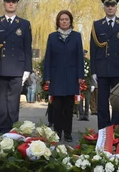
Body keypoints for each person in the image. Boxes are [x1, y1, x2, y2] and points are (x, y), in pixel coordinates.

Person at [0, 0, 33, 136]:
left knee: (13, 105)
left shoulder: (24, 24)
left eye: (13, 1)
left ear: (17, 4)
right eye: (8, 1)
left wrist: (27, 69)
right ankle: (1, 133)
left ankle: (13, 133)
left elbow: (27, 48)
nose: (11, 3)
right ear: (4, 4)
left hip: (17, 69)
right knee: (0, 104)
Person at [90, 0, 119, 129]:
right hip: (102, 69)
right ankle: (103, 131)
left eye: (112, 5)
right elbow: (93, 49)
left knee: (117, 102)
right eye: (107, 6)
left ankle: (116, 129)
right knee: (102, 103)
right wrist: (93, 71)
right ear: (104, 7)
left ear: (116, 7)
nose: (110, 8)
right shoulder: (97, 25)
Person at [43, 10, 84, 142]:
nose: (64, 21)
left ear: (70, 21)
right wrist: (47, 77)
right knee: (57, 107)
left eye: (66, 19)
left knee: (68, 107)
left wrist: (80, 76)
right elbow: (48, 58)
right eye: (62, 19)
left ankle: (68, 133)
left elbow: (79, 58)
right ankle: (57, 132)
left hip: (72, 77)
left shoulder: (76, 36)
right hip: (56, 76)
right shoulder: (52, 37)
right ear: (58, 22)